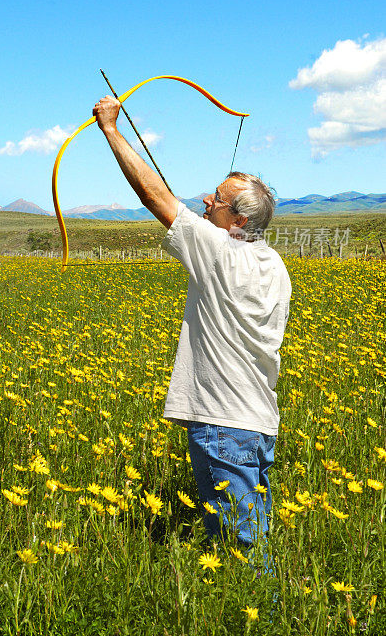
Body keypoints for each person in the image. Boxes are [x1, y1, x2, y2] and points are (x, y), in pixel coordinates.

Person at [93, 94, 292, 554]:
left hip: (224, 423)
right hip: (259, 425)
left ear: (238, 219)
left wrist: (111, 129)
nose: (206, 199)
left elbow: (155, 196)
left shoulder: (219, 252)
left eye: (216, 199)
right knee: (250, 540)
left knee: (242, 554)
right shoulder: (275, 263)